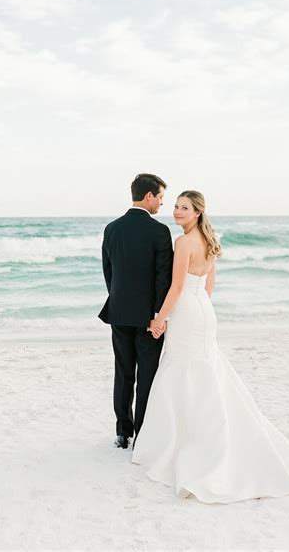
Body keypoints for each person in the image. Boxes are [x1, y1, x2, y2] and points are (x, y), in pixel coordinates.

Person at [131, 190, 289, 503]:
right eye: (175, 206)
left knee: (182, 370)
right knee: (203, 368)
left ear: (197, 212)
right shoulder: (209, 239)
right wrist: (197, 308)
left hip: (187, 309)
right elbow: (208, 285)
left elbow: (175, 287)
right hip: (203, 309)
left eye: (184, 208)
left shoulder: (183, 242)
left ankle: (184, 441)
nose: (176, 211)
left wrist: (160, 318)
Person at [98, 173, 173, 449]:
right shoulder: (159, 232)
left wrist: (118, 298)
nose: (162, 204)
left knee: (123, 371)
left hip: (118, 312)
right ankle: (142, 431)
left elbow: (109, 273)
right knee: (147, 375)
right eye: (161, 197)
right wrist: (158, 315)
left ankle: (122, 432)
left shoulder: (112, 228)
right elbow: (162, 278)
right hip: (148, 318)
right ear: (149, 196)